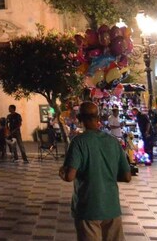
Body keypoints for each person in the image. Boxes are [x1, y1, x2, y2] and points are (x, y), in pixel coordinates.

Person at [59, 101, 131, 241]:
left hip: (88, 207)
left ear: (80, 118)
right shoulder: (113, 142)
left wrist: (62, 172)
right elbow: (127, 176)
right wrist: (106, 174)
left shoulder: (78, 142)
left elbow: (69, 176)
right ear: (98, 117)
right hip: (111, 207)